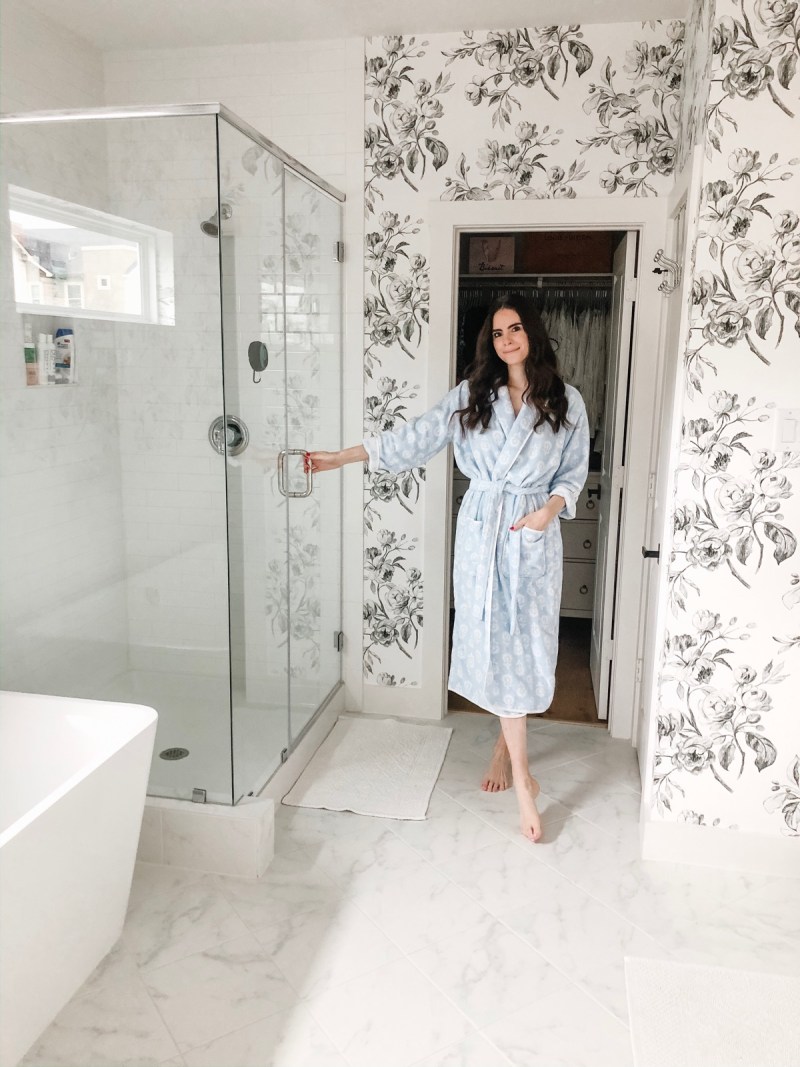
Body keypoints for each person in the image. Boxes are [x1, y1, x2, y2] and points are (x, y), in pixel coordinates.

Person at [305, 296, 590, 843]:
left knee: (525, 642)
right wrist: (342, 458)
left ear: (533, 333)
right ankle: (522, 778)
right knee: (494, 641)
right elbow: (415, 437)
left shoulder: (565, 400)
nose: (507, 340)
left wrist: (547, 513)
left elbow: (572, 474)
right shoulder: (472, 395)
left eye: (515, 328)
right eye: (498, 333)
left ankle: (510, 756)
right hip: (483, 530)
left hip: (530, 529)